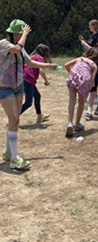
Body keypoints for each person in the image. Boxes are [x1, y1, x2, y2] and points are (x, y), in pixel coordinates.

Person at [0, 19, 57, 170]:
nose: (24, 35)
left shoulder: (21, 48)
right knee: (14, 118)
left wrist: (48, 65)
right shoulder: (3, 44)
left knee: (15, 120)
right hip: (4, 87)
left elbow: (30, 62)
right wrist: (25, 34)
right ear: (16, 33)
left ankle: (8, 151)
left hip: (18, 87)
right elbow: (17, 49)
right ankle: (14, 158)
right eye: (22, 32)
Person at [64, 47, 98, 137]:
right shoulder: (94, 65)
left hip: (73, 76)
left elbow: (66, 65)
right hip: (84, 80)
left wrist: (71, 73)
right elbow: (92, 80)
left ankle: (69, 123)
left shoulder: (80, 58)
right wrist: (92, 87)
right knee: (81, 102)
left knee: (72, 101)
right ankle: (77, 123)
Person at [20, 44, 52, 122]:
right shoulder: (40, 58)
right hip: (28, 80)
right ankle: (13, 117)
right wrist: (46, 81)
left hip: (23, 79)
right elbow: (41, 71)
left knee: (37, 96)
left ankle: (39, 116)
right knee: (28, 102)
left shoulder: (30, 57)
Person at [79, 19, 98, 105]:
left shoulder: (97, 37)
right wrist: (83, 41)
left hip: (94, 59)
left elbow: (94, 50)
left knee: (93, 78)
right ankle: (85, 95)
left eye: (90, 25)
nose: (89, 27)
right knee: (87, 77)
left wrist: (84, 43)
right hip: (89, 58)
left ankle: (95, 96)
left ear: (94, 26)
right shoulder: (92, 36)